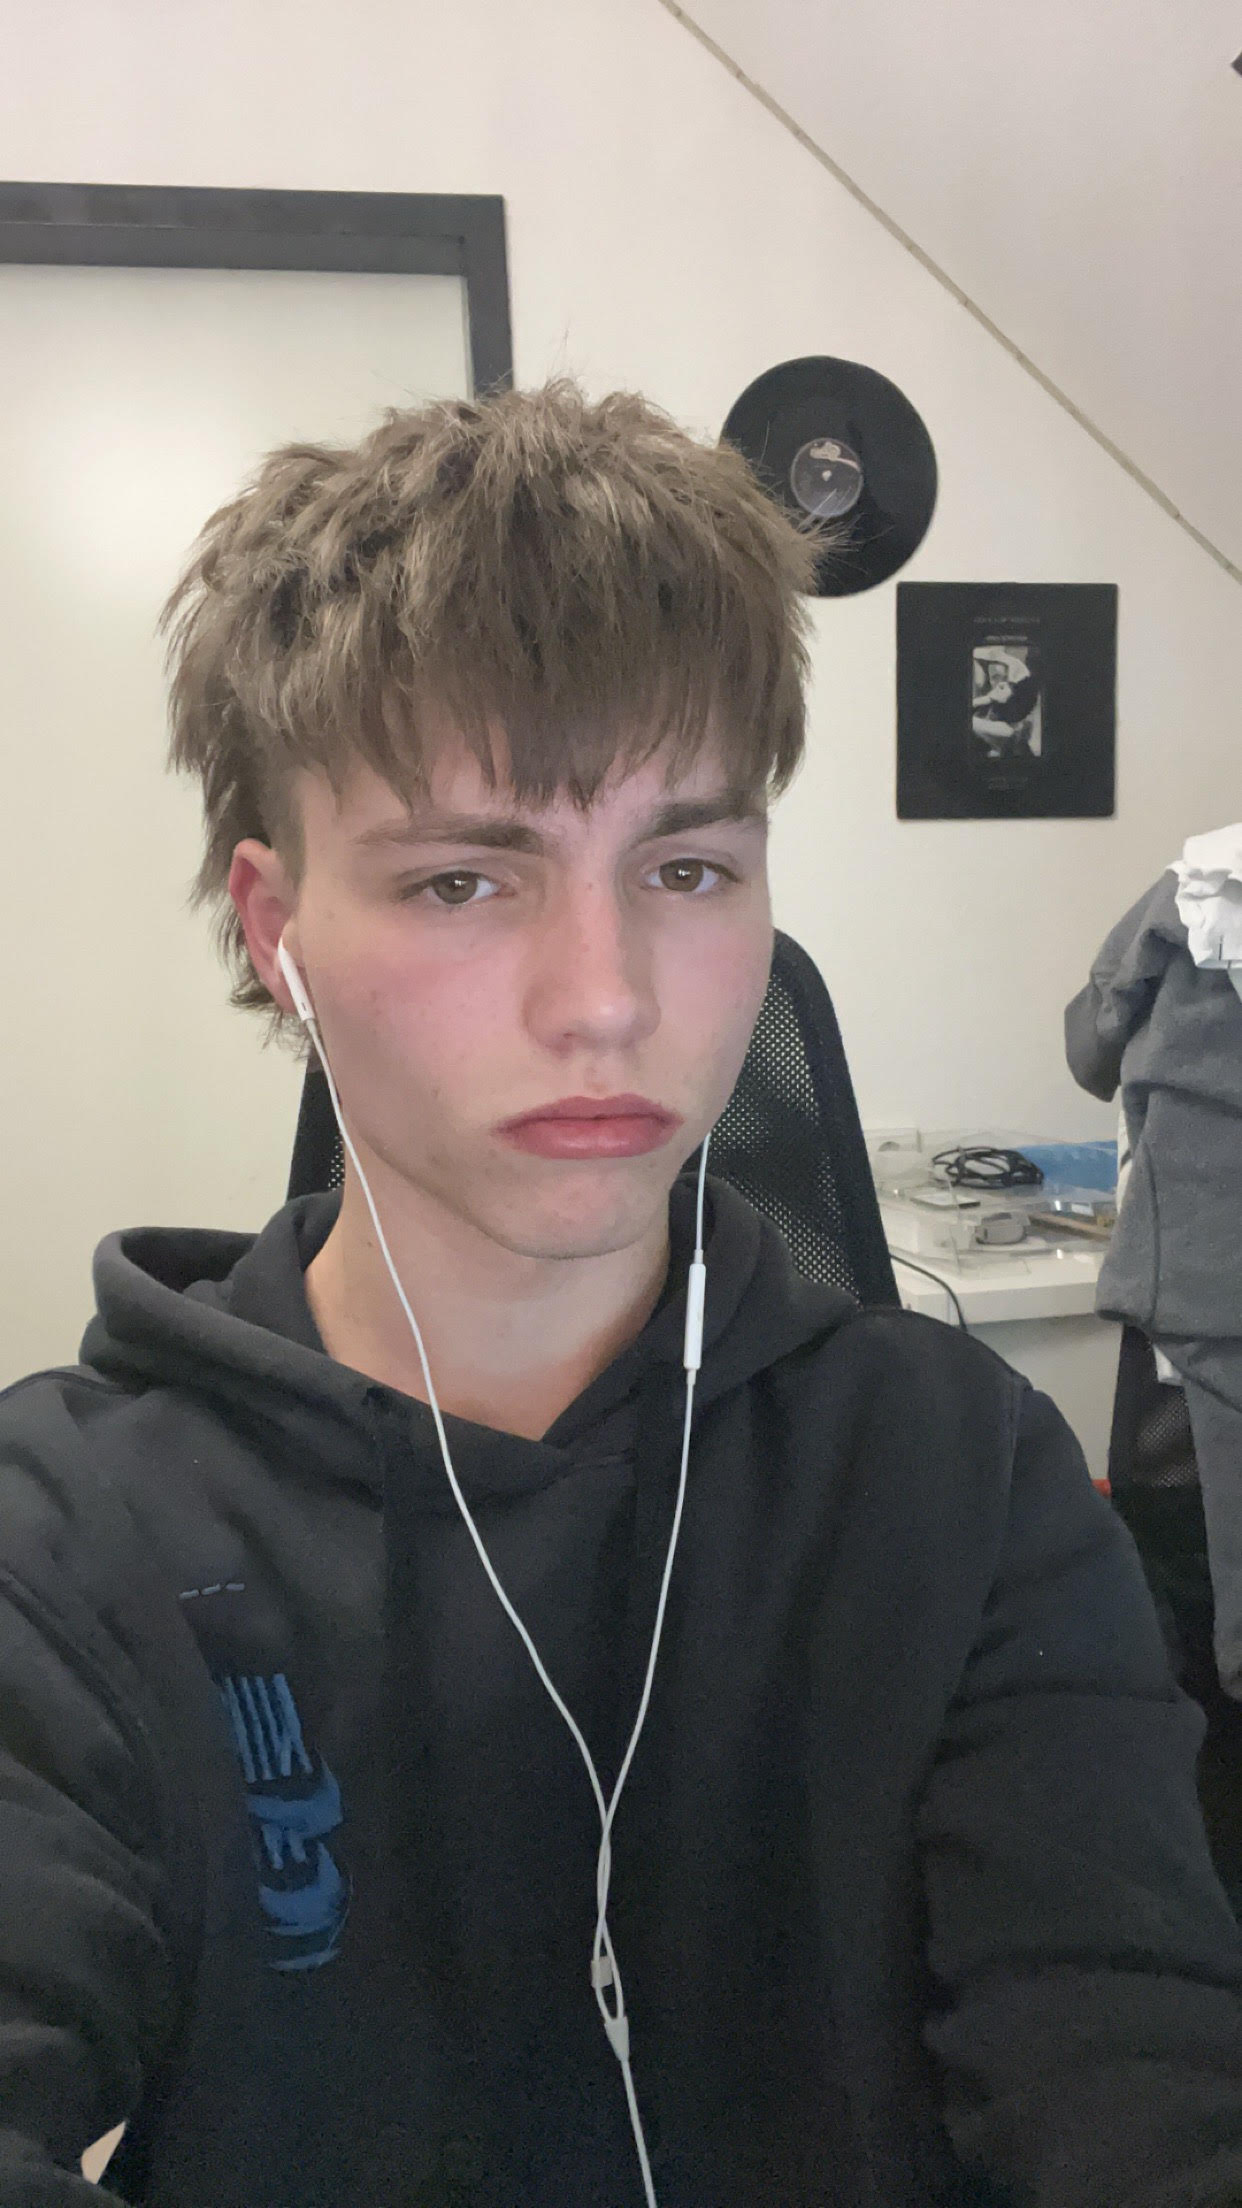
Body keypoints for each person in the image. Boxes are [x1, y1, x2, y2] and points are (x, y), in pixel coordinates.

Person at [3, 382, 1242, 2208]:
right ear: (277, 933)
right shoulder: (66, 1540)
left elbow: (1130, 2063)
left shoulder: (954, 1473)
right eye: (461, 878)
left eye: (684, 866)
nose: (606, 997)